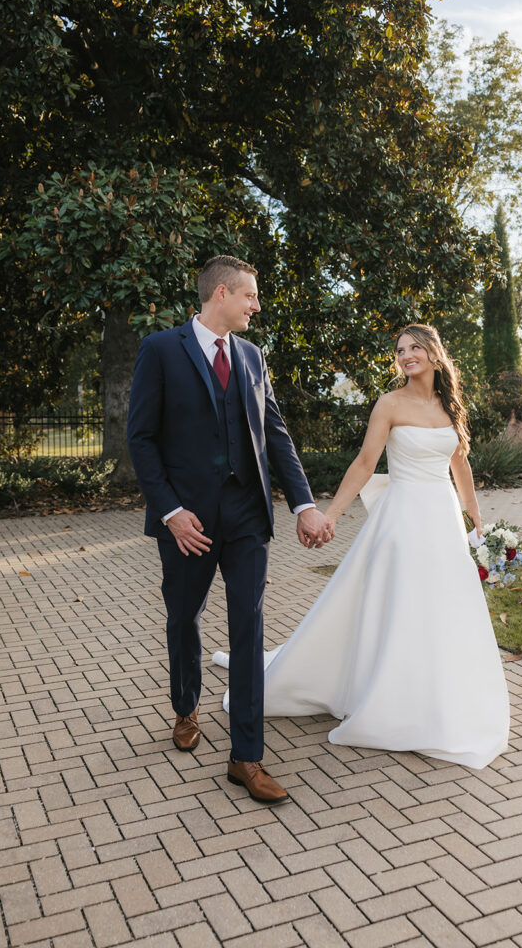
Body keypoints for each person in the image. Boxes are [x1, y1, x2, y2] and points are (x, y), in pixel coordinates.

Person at [215, 323, 510, 769]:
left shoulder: (450, 405)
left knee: (443, 606)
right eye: (400, 350)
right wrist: (329, 516)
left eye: (414, 348)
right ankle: (386, 694)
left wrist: (475, 517)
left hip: (441, 520)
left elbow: (459, 463)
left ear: (434, 353)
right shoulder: (389, 404)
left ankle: (438, 691)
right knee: (400, 604)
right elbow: (365, 462)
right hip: (401, 520)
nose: (405, 355)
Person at [127, 255, 332, 805]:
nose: (256, 306)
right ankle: (186, 706)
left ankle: (246, 757)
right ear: (221, 294)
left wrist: (304, 505)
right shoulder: (161, 350)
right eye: (250, 297)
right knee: (183, 619)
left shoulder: (252, 356)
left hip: (246, 516)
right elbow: (141, 439)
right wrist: (170, 512)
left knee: (248, 627)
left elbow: (276, 435)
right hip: (187, 522)